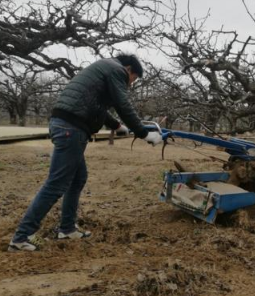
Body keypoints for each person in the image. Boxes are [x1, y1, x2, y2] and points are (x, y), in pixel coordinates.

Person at [8, 54, 162, 252]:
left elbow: (93, 104)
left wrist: (117, 125)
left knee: (78, 178)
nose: (131, 84)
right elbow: (122, 104)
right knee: (56, 183)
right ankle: (22, 236)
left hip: (67, 125)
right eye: (134, 79)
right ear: (130, 69)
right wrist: (143, 133)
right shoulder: (117, 71)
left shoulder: (103, 68)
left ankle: (67, 228)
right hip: (71, 129)